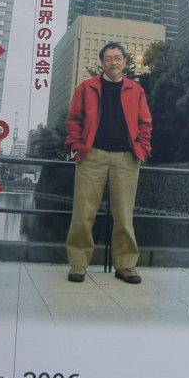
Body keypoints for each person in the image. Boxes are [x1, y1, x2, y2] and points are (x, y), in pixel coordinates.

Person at [65, 42, 152, 284]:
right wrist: (77, 146)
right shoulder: (86, 88)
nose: (113, 62)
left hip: (126, 158)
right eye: (108, 58)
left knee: (124, 215)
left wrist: (141, 149)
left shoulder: (136, 90)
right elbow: (73, 120)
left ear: (125, 62)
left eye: (117, 58)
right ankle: (78, 262)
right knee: (83, 213)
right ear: (102, 63)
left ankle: (126, 265)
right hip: (92, 156)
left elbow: (145, 123)